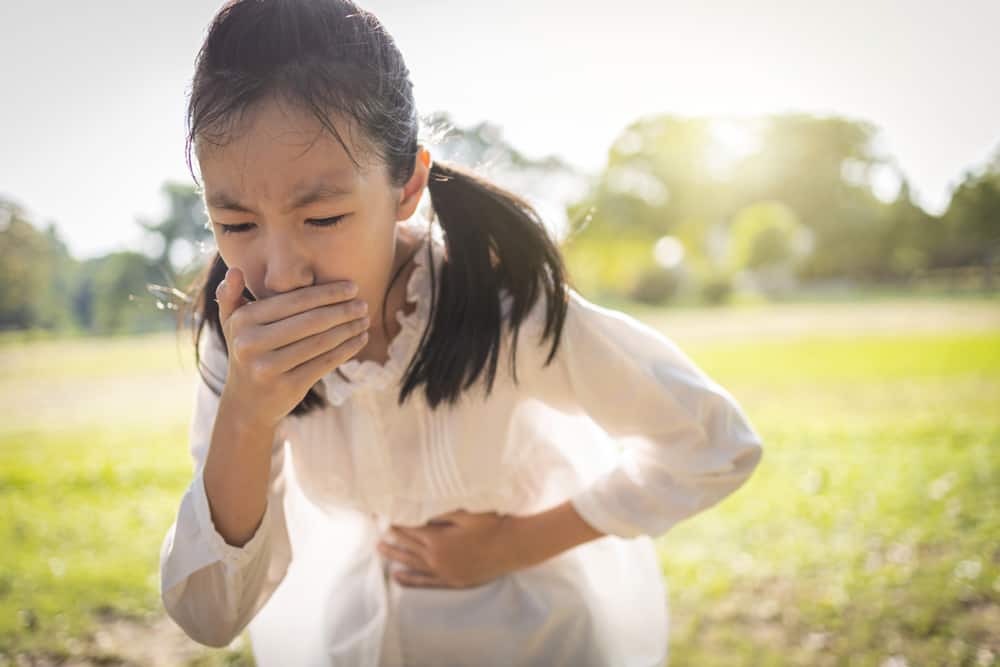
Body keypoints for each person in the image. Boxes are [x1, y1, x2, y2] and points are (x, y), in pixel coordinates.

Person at [158, 1, 765, 665]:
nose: (281, 273)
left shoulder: (498, 308)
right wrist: (248, 413)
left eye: (324, 217)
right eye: (238, 225)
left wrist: (511, 543)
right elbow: (211, 612)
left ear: (408, 186)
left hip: (536, 642)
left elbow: (714, 442)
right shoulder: (239, 338)